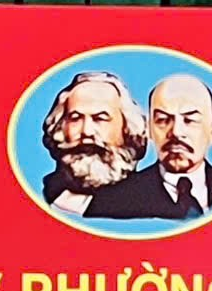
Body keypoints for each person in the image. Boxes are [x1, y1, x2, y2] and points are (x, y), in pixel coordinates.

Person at [87, 74, 212, 221]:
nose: (176, 132)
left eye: (190, 120)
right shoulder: (114, 200)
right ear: (149, 130)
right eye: (163, 120)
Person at [37, 69, 147, 215]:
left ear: (127, 129)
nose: (87, 131)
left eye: (100, 118)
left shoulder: (146, 200)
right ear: (60, 127)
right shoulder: (44, 193)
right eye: (75, 118)